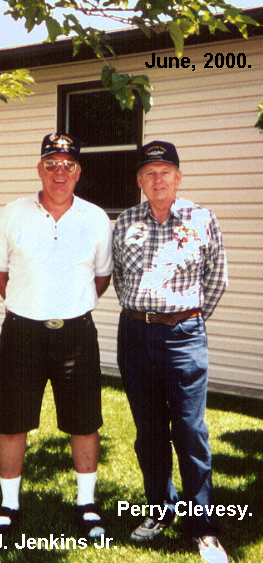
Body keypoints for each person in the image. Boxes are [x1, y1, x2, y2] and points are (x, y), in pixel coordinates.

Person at [0, 132, 113, 542]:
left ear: (79, 172)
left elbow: (102, 275)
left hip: (76, 333)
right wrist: (32, 305)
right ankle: (8, 506)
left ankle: (87, 504)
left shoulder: (95, 218)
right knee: (11, 420)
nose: (60, 171)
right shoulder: (11, 213)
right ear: (40, 168)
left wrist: (66, 304)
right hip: (22, 333)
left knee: (84, 421)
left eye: (68, 165)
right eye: (52, 163)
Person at [113, 141, 228, 563]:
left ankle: (203, 528)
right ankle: (160, 509)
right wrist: (144, 315)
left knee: (190, 430)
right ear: (140, 181)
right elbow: (121, 277)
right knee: (148, 430)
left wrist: (186, 319)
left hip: (185, 336)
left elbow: (216, 277)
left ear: (178, 177)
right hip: (135, 335)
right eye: (149, 173)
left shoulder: (202, 218)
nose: (157, 179)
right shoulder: (125, 221)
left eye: (165, 171)